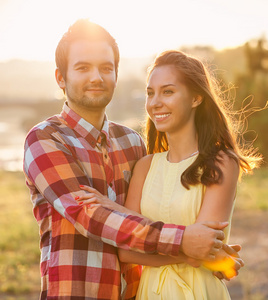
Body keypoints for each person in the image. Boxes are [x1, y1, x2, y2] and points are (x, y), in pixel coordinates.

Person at [23, 20, 239, 300]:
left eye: (106, 67)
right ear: (60, 78)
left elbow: (150, 215)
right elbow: (89, 216)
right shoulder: (45, 139)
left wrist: (210, 254)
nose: (96, 77)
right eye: (82, 67)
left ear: (116, 73)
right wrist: (187, 244)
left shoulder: (132, 143)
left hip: (137, 293)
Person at [77, 50, 261, 299]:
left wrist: (115, 210)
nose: (155, 103)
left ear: (196, 98)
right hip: (150, 292)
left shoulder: (222, 163)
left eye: (168, 91)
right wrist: (189, 252)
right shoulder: (144, 166)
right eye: (150, 93)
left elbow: (205, 246)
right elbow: (126, 252)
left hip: (198, 292)